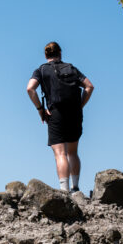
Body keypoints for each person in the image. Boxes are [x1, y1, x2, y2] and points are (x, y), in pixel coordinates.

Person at [26, 41, 94, 192]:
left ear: (45, 55)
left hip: (55, 113)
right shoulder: (71, 68)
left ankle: (64, 190)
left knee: (60, 154)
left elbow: (30, 89)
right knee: (73, 152)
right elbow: (89, 86)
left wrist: (40, 109)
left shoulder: (41, 70)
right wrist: (80, 105)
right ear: (60, 53)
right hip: (75, 113)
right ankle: (75, 188)